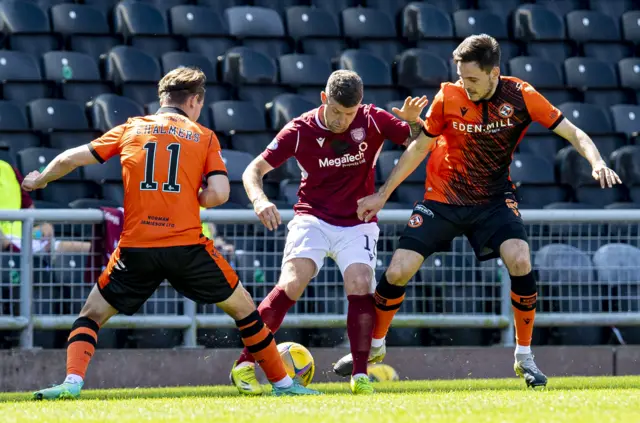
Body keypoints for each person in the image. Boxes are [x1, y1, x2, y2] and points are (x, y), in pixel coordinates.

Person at [333, 34, 622, 388]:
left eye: (471, 78)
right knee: (398, 270)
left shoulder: (522, 96)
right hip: (442, 198)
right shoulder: (447, 97)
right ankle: (375, 347)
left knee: (520, 259)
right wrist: (382, 194)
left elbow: (573, 133)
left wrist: (596, 161)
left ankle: (524, 357)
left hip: (493, 199)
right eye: (460, 77)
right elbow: (418, 149)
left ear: (494, 73)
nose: (464, 85)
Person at [21, 66, 320, 400]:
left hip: (136, 248)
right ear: (194, 101)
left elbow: (71, 158)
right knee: (245, 310)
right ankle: (282, 385)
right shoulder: (204, 136)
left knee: (91, 315)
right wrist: (194, 196)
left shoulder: (132, 128)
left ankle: (71, 383)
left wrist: (40, 179)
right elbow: (219, 194)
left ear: (162, 98)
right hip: (187, 247)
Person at [229, 69, 429, 395]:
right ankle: (244, 364)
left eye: (350, 113)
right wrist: (260, 199)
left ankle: (360, 375)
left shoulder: (373, 120)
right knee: (292, 282)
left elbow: (417, 142)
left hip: (358, 220)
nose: (343, 120)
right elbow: (254, 170)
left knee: (361, 283)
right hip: (313, 218)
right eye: (336, 111)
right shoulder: (300, 129)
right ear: (324, 99)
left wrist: (413, 122)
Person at [0, 155, 90, 255]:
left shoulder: (8, 170)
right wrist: (10, 246)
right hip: (6, 247)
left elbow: (33, 217)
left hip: (22, 241)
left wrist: (42, 229)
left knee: (92, 249)